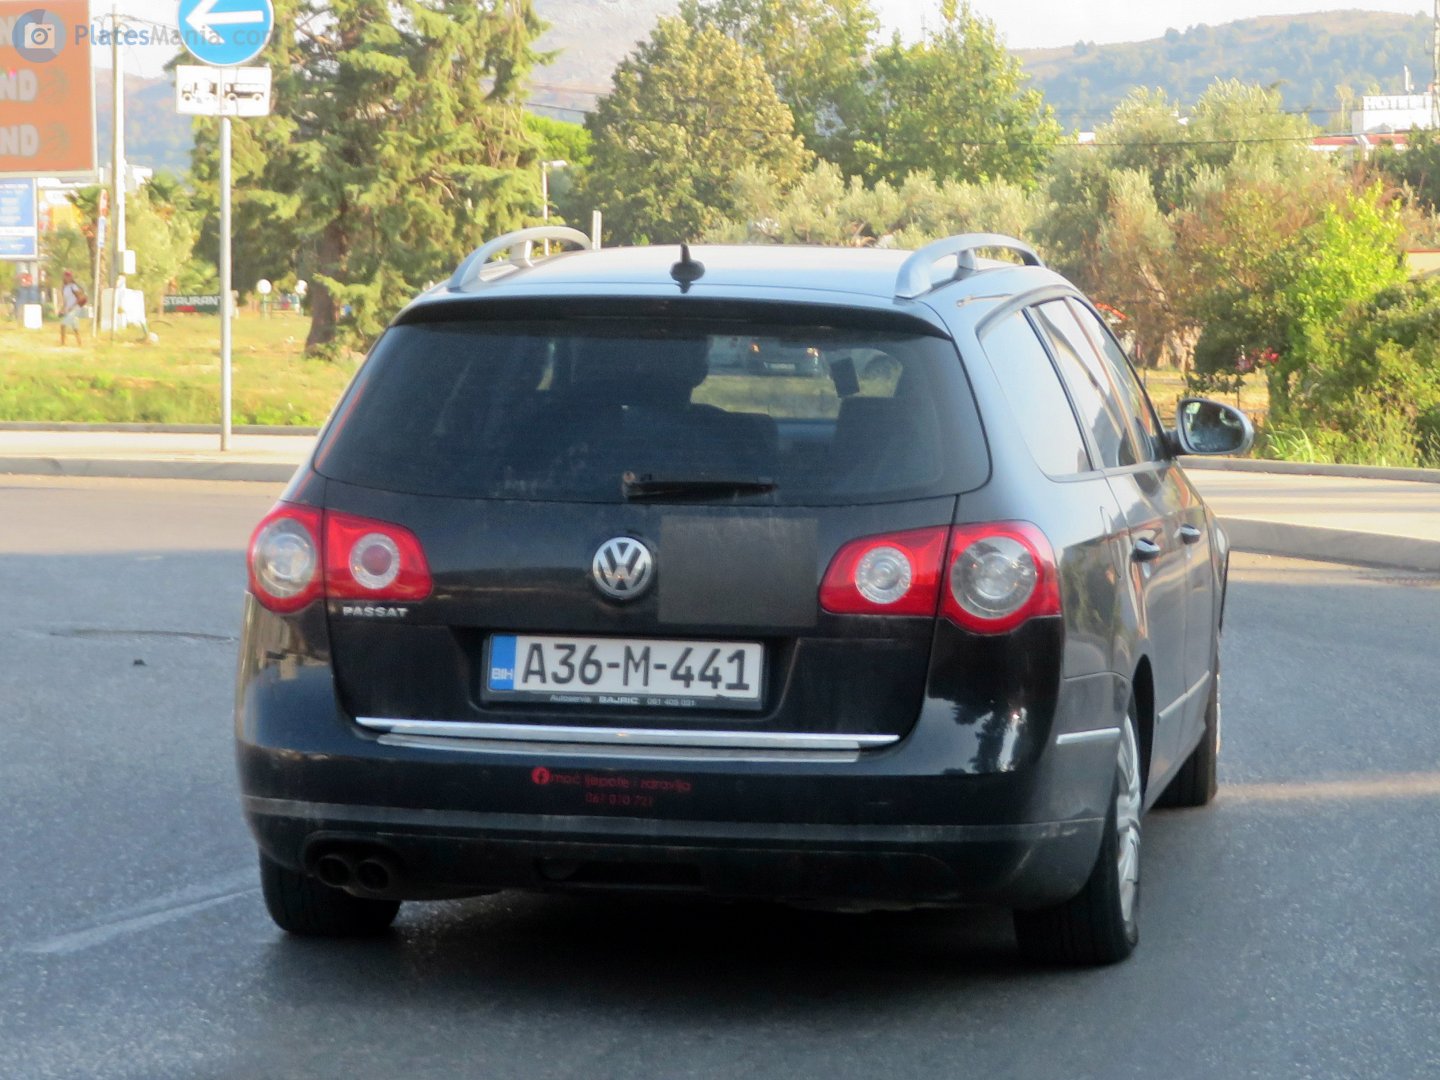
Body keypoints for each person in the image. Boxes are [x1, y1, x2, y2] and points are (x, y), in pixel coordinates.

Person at [59, 270, 86, 346]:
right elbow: (65, 301)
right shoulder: (64, 288)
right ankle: (80, 343)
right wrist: (62, 309)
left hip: (75, 309)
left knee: (63, 325)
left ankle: (62, 343)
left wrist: (73, 306)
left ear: (71, 277)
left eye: (69, 276)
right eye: (66, 276)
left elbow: (79, 297)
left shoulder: (73, 286)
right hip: (68, 309)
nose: (67, 278)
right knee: (75, 328)